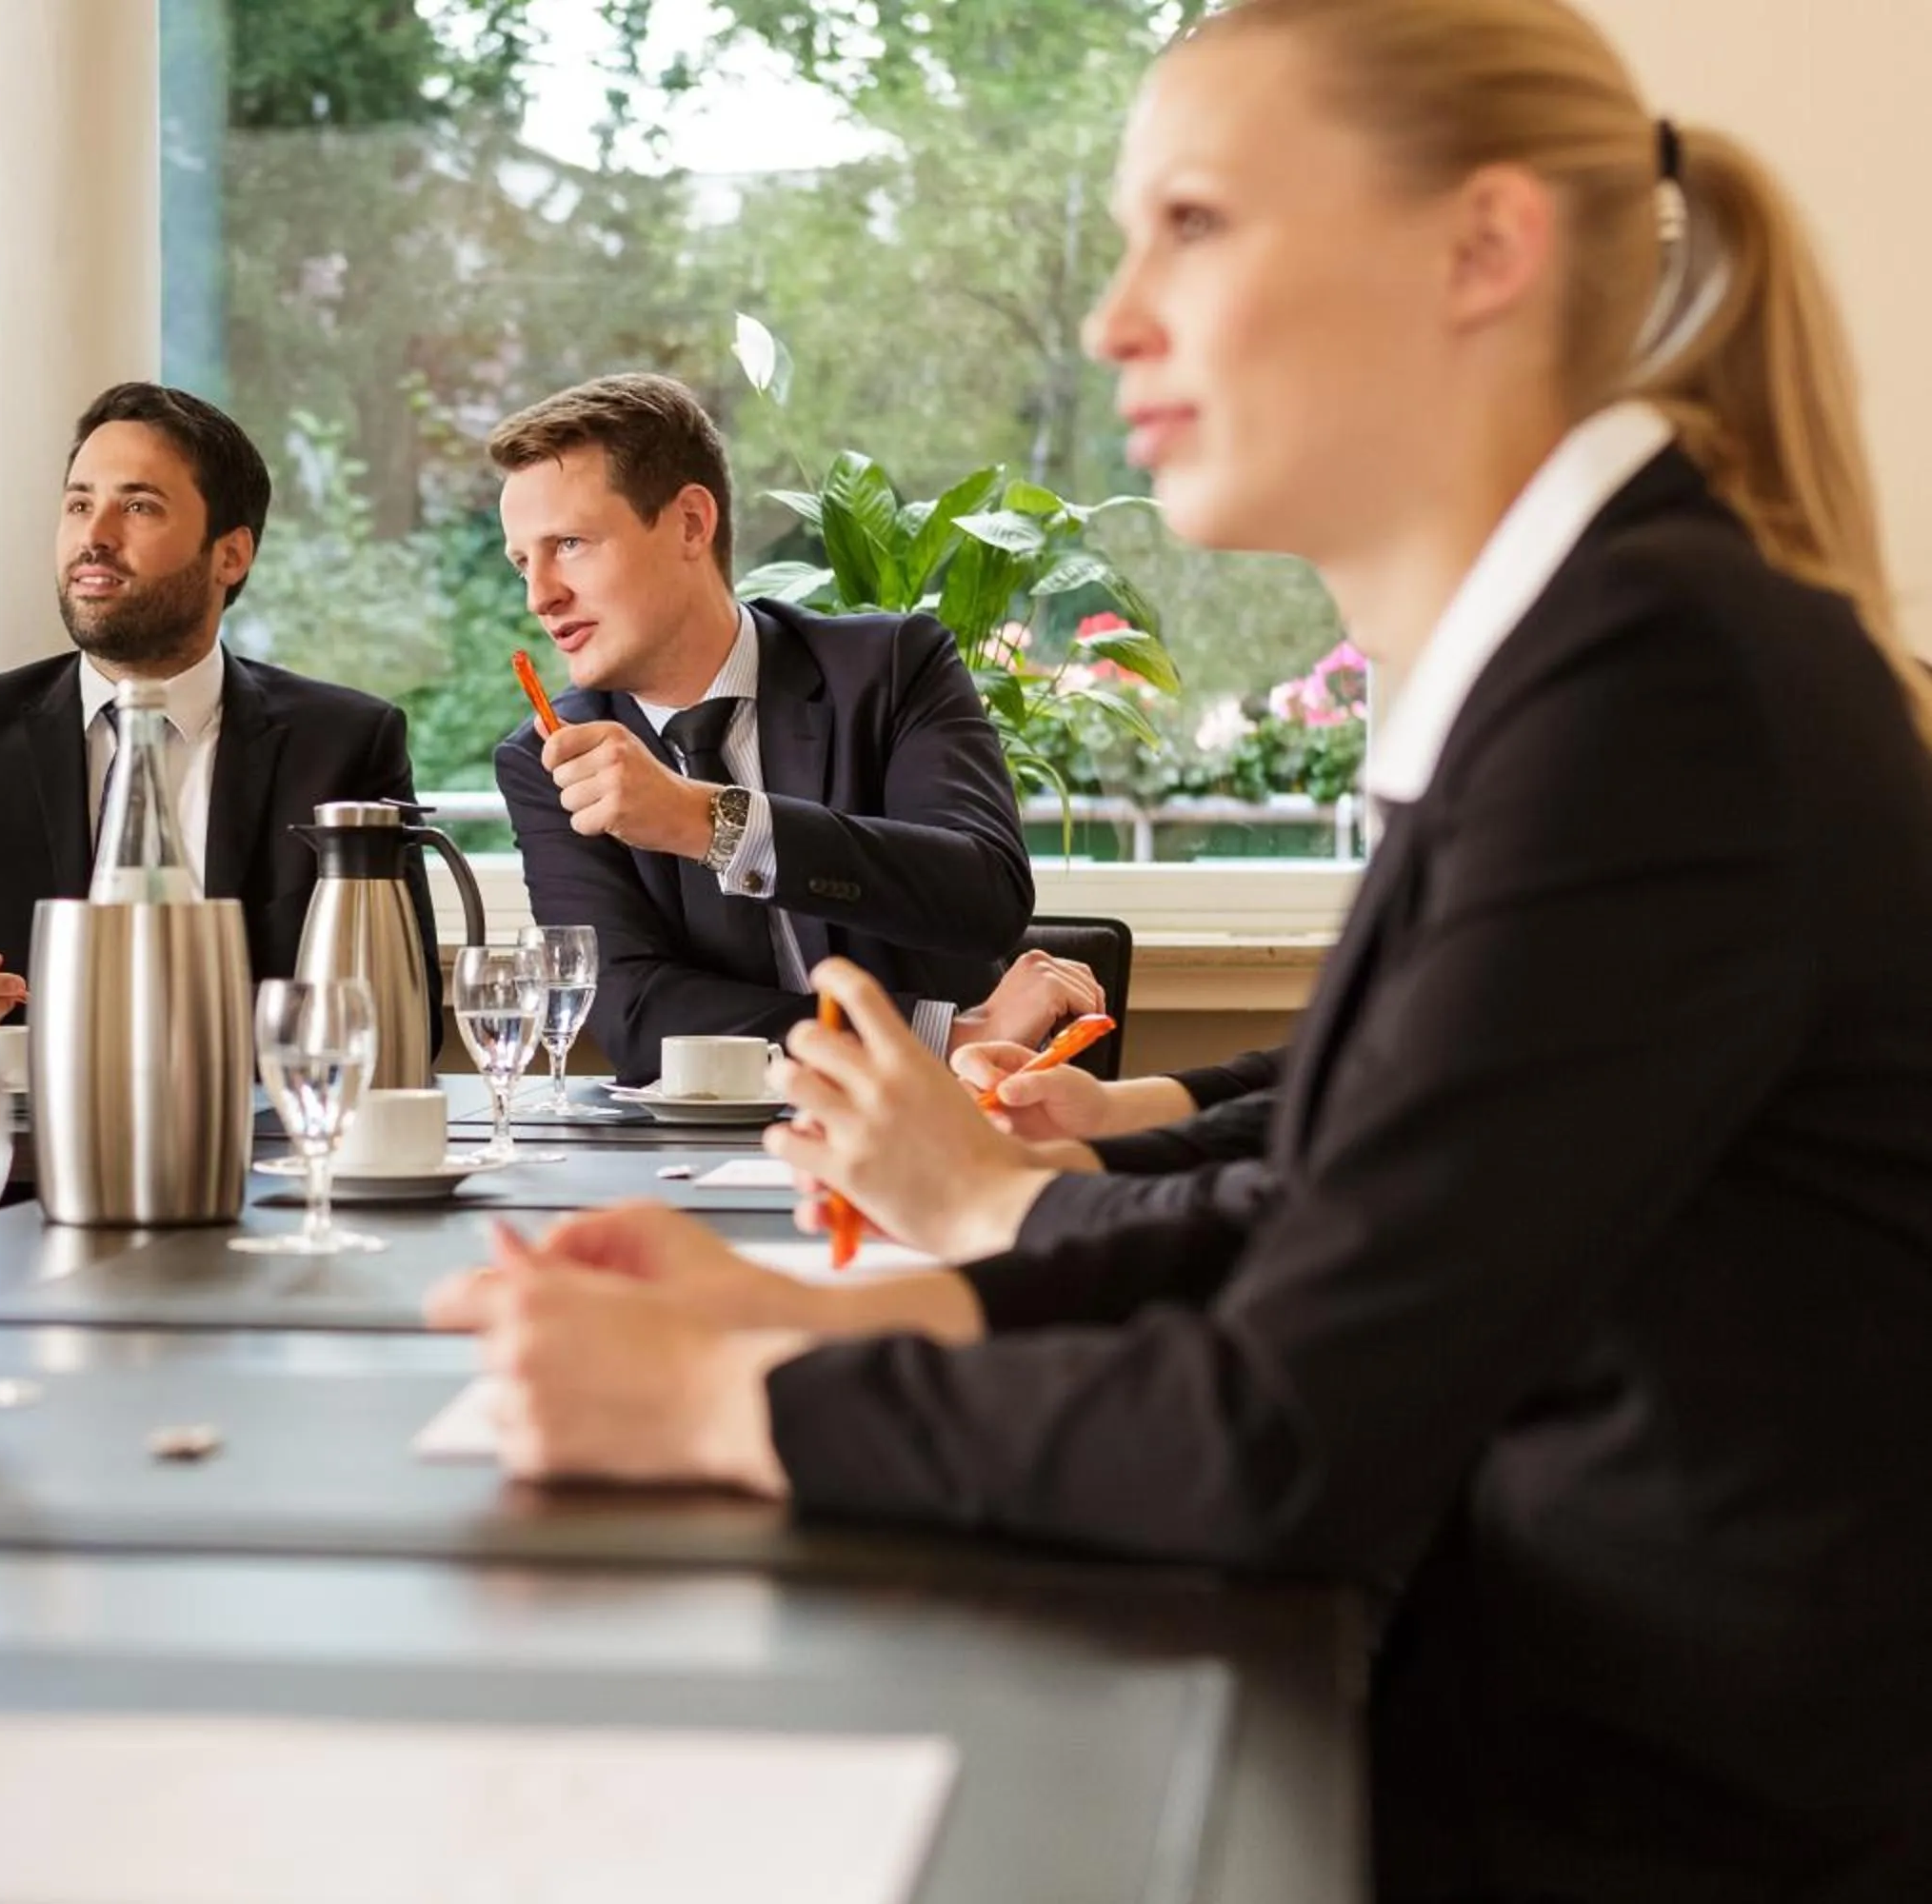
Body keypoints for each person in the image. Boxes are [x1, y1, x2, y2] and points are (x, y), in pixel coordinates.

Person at [430, 2, 1932, 1895]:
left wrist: (726, 1402)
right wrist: (824, 1311)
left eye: (1196, 225)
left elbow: (1281, 1422)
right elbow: (1335, 1216)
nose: (1112, 317)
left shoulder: (1658, 700)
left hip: (1652, 1818)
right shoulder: (1594, 662)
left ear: (1482, 250)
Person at [0, 383, 435, 1068]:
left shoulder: (344, 745)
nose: (94, 537)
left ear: (231, 555)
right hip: (25, 1163)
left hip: (263, 1161)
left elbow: (401, 1019)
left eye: (137, 506)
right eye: (78, 504)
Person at [488, 373, 1034, 1085]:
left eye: (570, 544)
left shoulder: (892, 669)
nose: (540, 595)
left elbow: (983, 896)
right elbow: (638, 1019)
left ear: (690, 523)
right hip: (695, 1164)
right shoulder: (550, 759)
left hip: (938, 1142)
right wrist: (942, 1033)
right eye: (523, 561)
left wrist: (710, 822)